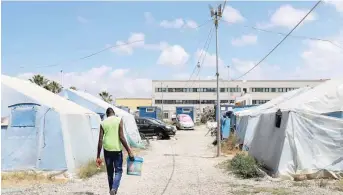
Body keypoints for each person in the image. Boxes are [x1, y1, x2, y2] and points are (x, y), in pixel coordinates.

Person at [96, 107, 135, 195]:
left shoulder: (103, 122)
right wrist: (129, 151)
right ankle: (114, 189)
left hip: (107, 149)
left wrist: (98, 156)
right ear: (114, 113)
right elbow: (121, 137)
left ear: (106, 115)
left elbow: (100, 140)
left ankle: (111, 190)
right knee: (118, 171)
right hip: (117, 149)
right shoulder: (119, 120)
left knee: (110, 172)